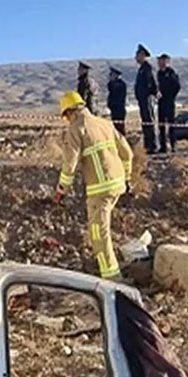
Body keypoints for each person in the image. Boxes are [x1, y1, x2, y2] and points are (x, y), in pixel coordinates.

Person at [56, 91, 132, 281]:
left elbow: (69, 164)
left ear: (70, 112)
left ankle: (112, 278)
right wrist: (127, 177)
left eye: (66, 117)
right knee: (104, 227)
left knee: (98, 232)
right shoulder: (104, 123)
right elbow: (127, 153)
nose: (67, 120)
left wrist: (62, 189)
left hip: (101, 189)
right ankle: (108, 264)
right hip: (117, 184)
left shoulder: (76, 128)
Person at [134, 44, 159, 154]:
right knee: (145, 122)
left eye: (138, 55)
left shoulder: (147, 68)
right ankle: (147, 145)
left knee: (149, 121)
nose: (136, 57)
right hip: (142, 100)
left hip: (147, 99)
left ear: (143, 55)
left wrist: (153, 93)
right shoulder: (141, 69)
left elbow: (152, 84)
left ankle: (153, 145)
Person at [156, 53, 180, 153]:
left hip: (169, 102)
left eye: (161, 60)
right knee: (161, 124)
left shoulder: (171, 73)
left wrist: (170, 97)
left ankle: (173, 145)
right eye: (159, 61)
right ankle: (163, 146)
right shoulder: (159, 74)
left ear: (166, 61)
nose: (159, 62)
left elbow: (177, 86)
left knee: (171, 125)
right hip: (161, 102)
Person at [107, 66, 128, 135]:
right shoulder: (114, 84)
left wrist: (112, 82)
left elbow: (113, 90)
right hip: (114, 109)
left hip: (119, 109)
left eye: (111, 74)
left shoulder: (121, 84)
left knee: (119, 129)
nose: (109, 76)